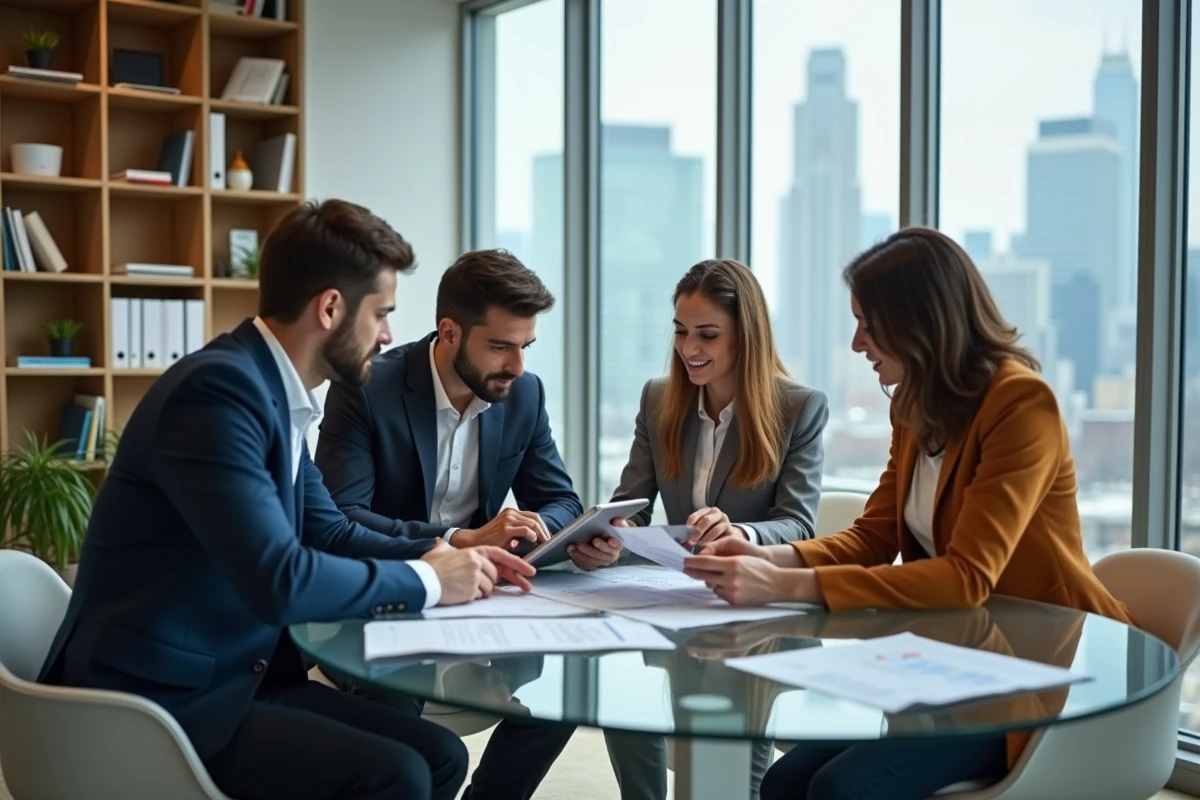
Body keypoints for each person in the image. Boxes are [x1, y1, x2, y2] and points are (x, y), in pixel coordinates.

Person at [37, 199, 536, 800]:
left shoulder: (271, 393)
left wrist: (454, 552)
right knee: (396, 773)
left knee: (439, 756)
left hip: (233, 676)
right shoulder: (219, 393)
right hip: (158, 700)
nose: (388, 335)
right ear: (330, 307)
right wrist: (430, 582)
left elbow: (331, 531)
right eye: (381, 313)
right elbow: (279, 577)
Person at [681, 227, 1137, 800]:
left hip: (1038, 672)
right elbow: (874, 536)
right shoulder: (914, 409)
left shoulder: (1021, 404)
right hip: (951, 662)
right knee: (785, 779)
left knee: (839, 789)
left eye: (867, 324)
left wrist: (790, 584)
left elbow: (967, 577)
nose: (856, 344)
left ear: (920, 323)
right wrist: (768, 554)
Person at [314, 247, 585, 800]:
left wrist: (539, 530)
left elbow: (560, 500)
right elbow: (341, 519)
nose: (517, 366)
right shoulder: (367, 387)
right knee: (408, 734)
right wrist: (457, 541)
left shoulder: (522, 393)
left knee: (565, 695)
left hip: (483, 606)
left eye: (525, 347)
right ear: (451, 332)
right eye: (502, 346)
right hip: (383, 603)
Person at [567, 258, 830, 800]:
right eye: (682, 332)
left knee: (731, 716)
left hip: (752, 610)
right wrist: (609, 535)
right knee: (621, 692)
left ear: (745, 337)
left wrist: (744, 533)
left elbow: (798, 524)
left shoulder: (798, 408)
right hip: (669, 598)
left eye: (708, 335)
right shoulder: (660, 398)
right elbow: (633, 505)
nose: (690, 348)